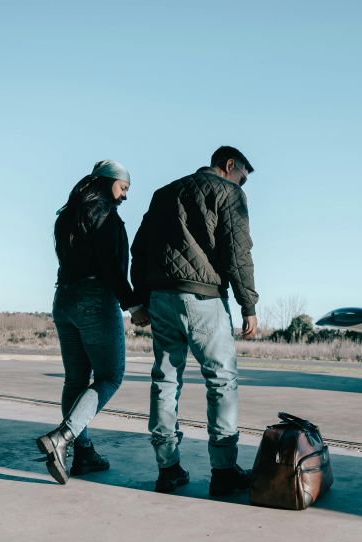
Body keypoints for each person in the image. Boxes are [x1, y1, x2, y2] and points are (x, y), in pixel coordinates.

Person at [131, 146, 259, 495]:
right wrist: (248, 303)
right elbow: (237, 252)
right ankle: (223, 471)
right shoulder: (229, 193)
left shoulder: (164, 193)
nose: (243, 185)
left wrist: (139, 300)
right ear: (229, 165)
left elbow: (139, 249)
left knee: (165, 380)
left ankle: (167, 468)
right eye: (242, 177)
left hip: (161, 298)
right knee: (221, 381)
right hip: (203, 298)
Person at [36, 159, 149, 485]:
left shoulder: (67, 217)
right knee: (110, 375)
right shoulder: (106, 219)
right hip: (95, 300)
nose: (125, 196)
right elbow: (110, 267)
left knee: (75, 380)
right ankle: (64, 437)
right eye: (123, 187)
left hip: (64, 300)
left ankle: (84, 453)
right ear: (105, 182)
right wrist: (132, 304)